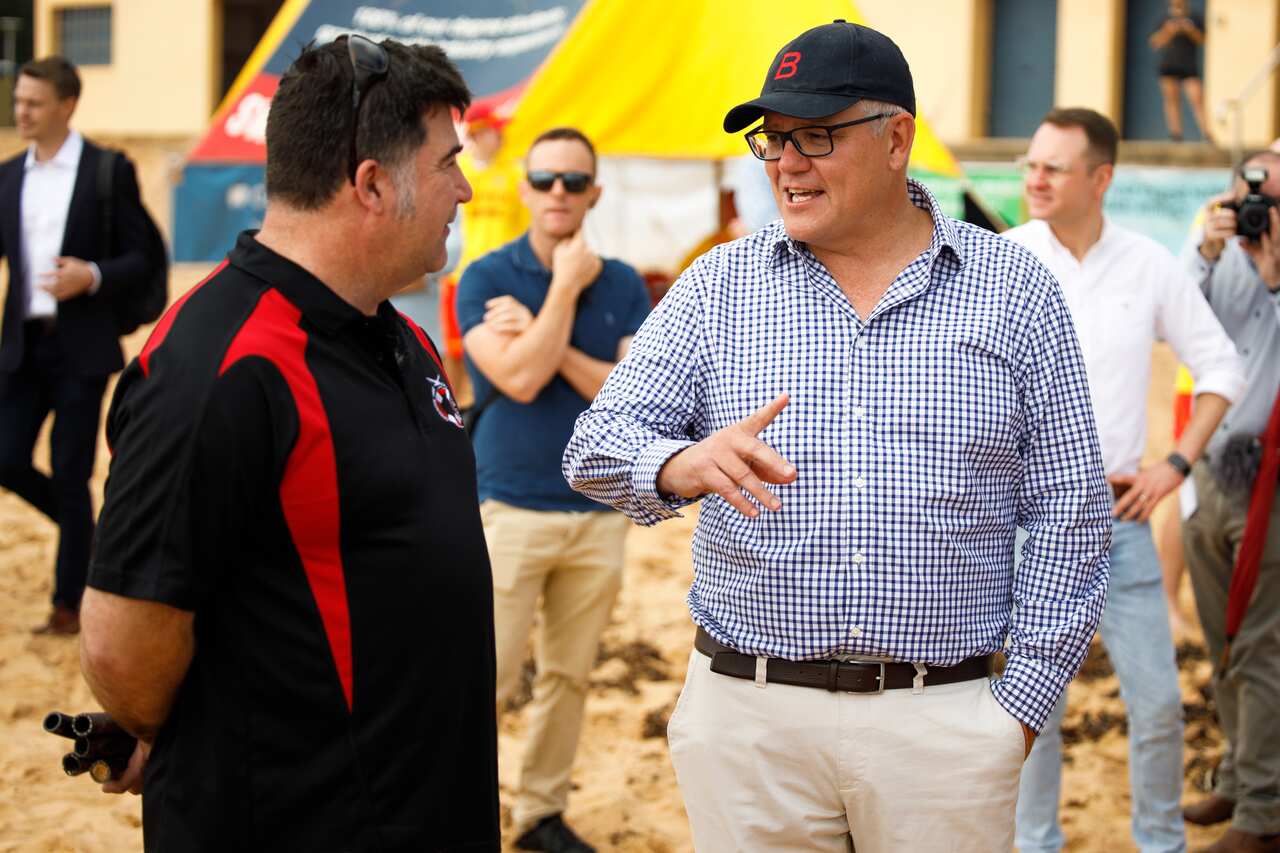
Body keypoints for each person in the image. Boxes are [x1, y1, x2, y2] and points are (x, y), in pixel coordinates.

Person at [563, 21, 1112, 853]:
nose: (786, 162)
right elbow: (595, 444)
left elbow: (1072, 504)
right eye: (774, 139)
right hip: (748, 726)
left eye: (816, 135)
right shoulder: (721, 285)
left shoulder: (1012, 287)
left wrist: (1019, 710)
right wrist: (679, 462)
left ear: (898, 140)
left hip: (946, 724)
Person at [77, 37, 500, 851]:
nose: (465, 187)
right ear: (372, 184)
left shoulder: (401, 339)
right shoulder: (220, 366)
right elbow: (121, 647)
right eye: (448, 162)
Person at [1005, 107, 1244, 853]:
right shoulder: (1005, 260)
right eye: (1030, 165)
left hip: (1122, 520)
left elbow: (1220, 366)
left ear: (1100, 179)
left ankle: (1160, 843)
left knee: (1162, 706)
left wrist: (1174, 466)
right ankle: (1033, 843)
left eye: (1053, 167)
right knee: (1029, 710)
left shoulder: (1147, 264)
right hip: (1027, 521)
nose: (1034, 179)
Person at [457, 126, 651, 853]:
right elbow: (516, 379)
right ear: (524, 187)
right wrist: (567, 293)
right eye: (545, 179)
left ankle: (540, 813)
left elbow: (626, 396)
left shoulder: (626, 282)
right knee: (489, 676)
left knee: (568, 676)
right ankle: (458, 806)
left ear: (595, 191)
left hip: (599, 511)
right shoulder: (483, 275)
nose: (558, 193)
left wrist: (543, 325)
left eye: (574, 181)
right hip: (509, 506)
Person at [0, 56, 162, 635]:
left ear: (66, 106)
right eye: (18, 100)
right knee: (7, 458)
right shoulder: (9, 174)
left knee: (72, 474)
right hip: (20, 347)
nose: (21, 111)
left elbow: (144, 255)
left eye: (33, 102)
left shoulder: (106, 170)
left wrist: (91, 274)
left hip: (81, 348)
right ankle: (88, 538)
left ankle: (68, 604)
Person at [1178, 151, 1280, 853]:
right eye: (1250, 191)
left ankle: (1264, 807)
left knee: (1264, 645)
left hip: (1269, 477)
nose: (1257, 208)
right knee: (1224, 643)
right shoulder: (1221, 253)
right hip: (1211, 469)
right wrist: (1207, 253)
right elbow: (1182, 326)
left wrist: (1274, 283)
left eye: (1269, 194)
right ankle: (1242, 779)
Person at [439, 102, 530, 406]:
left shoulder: (518, 175)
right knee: (455, 348)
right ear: (476, 136)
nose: (498, 137)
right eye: (491, 132)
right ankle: (457, 407)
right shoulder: (462, 174)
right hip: (464, 272)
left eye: (495, 132)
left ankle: (487, 405)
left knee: (499, 348)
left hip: (504, 277)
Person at [1150, 0, 1213, 143]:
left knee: (1197, 99)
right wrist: (1168, 31)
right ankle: (1176, 134)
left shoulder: (1194, 17)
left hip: (1188, 65)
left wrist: (1190, 30)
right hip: (1169, 64)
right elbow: (1155, 43)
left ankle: (1206, 134)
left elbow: (1202, 39)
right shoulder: (1164, 19)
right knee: (1172, 100)